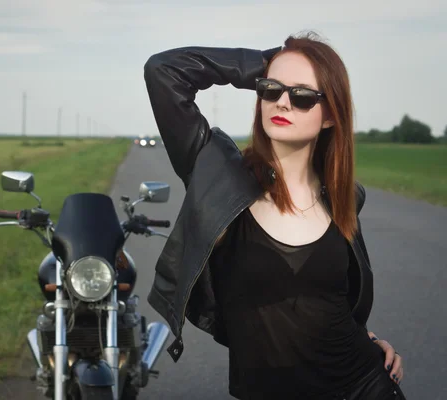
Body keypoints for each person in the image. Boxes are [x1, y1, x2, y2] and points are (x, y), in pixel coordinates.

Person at [143, 32, 407, 399]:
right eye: (270, 88)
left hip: (363, 385)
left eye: (301, 96)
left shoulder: (342, 197)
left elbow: (333, 296)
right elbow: (163, 70)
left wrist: (367, 335)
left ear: (330, 115)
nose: (282, 102)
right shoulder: (215, 173)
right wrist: (264, 62)